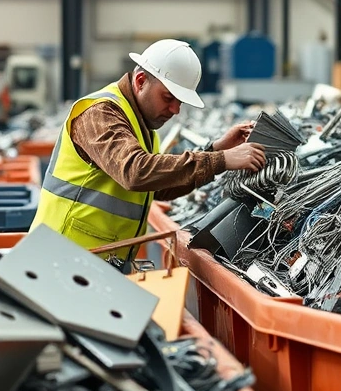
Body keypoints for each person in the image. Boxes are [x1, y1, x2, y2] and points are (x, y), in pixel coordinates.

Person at [31, 39, 266, 264]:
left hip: (95, 262)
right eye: (168, 98)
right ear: (141, 81)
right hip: (62, 257)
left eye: (180, 102)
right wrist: (220, 160)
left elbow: (159, 187)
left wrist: (216, 148)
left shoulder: (142, 127)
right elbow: (135, 172)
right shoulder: (100, 113)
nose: (175, 110)